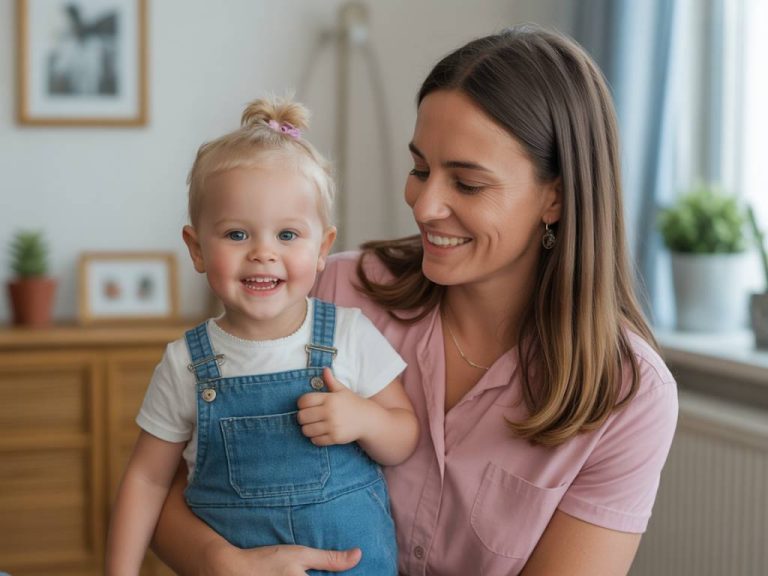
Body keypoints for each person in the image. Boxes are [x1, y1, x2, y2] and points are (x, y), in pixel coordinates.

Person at [150, 26, 678, 575]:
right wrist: (224, 565)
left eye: (467, 184)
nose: (424, 206)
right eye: (420, 170)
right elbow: (169, 490)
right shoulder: (334, 293)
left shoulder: (629, 394)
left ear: (557, 198)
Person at [105, 98, 419, 576]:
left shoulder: (350, 334)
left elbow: (404, 436)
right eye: (237, 235)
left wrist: (366, 420)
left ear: (323, 248)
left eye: (287, 235)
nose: (263, 253)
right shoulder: (185, 364)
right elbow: (147, 480)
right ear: (197, 248)